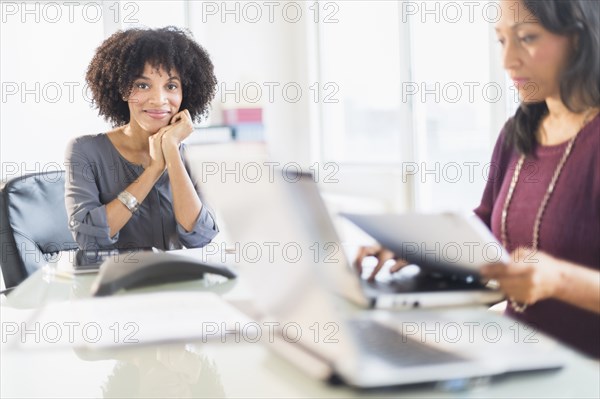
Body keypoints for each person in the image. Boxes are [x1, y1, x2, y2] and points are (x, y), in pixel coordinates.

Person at [355, 0, 600, 358]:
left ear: (579, 37)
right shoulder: (519, 133)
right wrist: (415, 245)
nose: (508, 61)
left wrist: (560, 281)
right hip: (520, 360)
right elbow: (487, 235)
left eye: (527, 38)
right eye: (501, 41)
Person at [64, 27, 219, 251]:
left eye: (171, 86)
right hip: (112, 283)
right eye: (142, 85)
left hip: (174, 282)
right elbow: (90, 239)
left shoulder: (191, 158)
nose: (158, 99)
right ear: (123, 89)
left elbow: (199, 237)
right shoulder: (85, 150)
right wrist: (154, 170)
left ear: (186, 93)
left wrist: (171, 152)